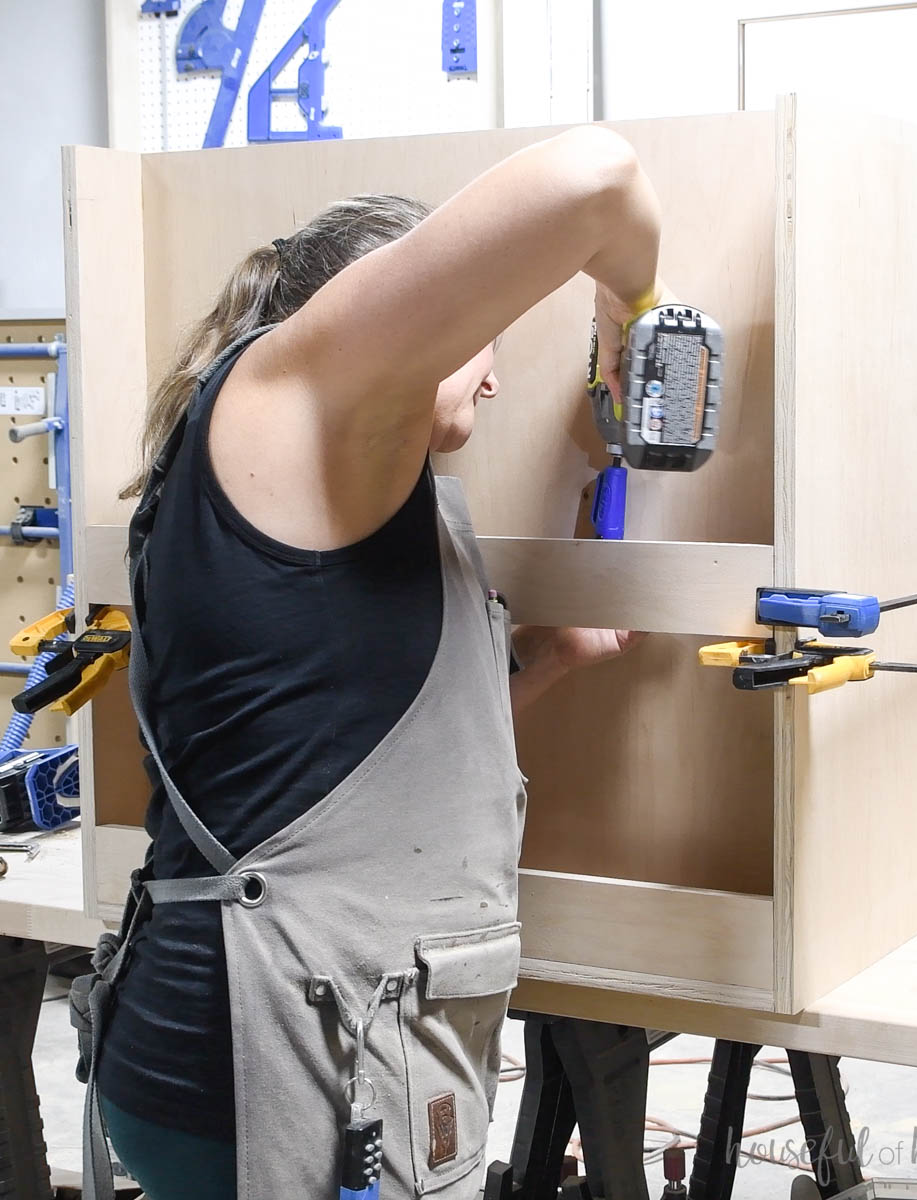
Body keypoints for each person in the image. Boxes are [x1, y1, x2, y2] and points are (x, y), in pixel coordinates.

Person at [81, 125, 666, 1200]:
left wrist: (551, 661)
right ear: (402, 314)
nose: (490, 385)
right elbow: (598, 176)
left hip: (269, 1040)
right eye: (482, 335)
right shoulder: (295, 398)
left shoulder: (352, 477)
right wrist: (623, 313)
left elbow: (345, 759)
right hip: (267, 1069)